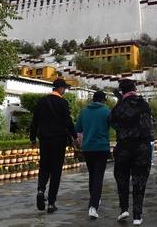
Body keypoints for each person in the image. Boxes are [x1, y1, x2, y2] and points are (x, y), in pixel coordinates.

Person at [30, 78, 78, 213]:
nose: (65, 91)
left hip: (44, 140)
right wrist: (75, 137)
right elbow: (68, 122)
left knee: (44, 166)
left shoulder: (42, 101)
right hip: (59, 141)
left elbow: (35, 122)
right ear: (61, 88)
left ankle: (40, 191)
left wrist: (32, 139)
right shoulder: (63, 103)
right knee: (56, 171)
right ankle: (51, 203)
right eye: (65, 89)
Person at [110, 79, 154, 226]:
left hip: (124, 147)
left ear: (122, 91)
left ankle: (124, 209)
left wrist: (122, 130)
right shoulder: (144, 105)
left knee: (122, 178)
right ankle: (137, 215)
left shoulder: (119, 106)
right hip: (142, 147)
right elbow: (148, 126)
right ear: (134, 89)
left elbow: (111, 121)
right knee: (139, 180)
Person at [75, 91, 111, 220]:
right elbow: (114, 126)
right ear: (102, 100)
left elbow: (77, 129)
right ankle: (93, 206)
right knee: (98, 177)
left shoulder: (84, 112)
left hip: (88, 148)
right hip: (102, 148)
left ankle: (94, 200)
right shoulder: (106, 111)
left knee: (92, 175)